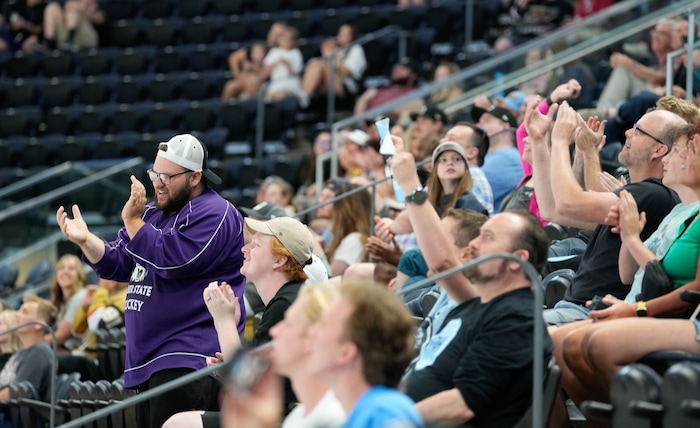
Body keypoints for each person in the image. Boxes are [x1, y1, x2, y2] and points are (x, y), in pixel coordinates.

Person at [56, 133, 246, 428]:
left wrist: (133, 222)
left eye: (167, 176)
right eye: (154, 173)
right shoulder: (153, 213)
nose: (157, 182)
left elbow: (175, 260)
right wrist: (86, 240)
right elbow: (118, 264)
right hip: (149, 362)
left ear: (195, 177)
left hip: (189, 359)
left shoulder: (216, 212)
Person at [389, 138, 553, 426]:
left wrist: (385, 418)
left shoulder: (515, 318)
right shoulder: (479, 302)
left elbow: (462, 405)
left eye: (487, 238)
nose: (472, 246)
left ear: (518, 260)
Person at [548, 122, 700, 426]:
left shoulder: (658, 195)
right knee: (555, 347)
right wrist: (630, 236)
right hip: (639, 306)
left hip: (671, 317)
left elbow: (691, 289)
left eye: (685, 150)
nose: (673, 157)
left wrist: (635, 310)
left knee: (583, 344)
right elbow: (632, 275)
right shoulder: (677, 212)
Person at [531, 102, 686, 327]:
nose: (627, 132)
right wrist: (538, 141)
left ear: (658, 150)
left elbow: (566, 203)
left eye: (638, 130)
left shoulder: (654, 194)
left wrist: (561, 141)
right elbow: (552, 209)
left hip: (591, 315)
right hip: (575, 308)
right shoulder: (643, 192)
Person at [166, 284, 346, 428]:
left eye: (289, 324)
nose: (275, 331)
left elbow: (244, 380)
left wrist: (224, 321)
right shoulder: (302, 417)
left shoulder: (332, 418)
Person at [307, 279, 424, 428]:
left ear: (346, 352)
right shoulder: (363, 411)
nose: (311, 332)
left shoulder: (384, 415)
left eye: (323, 326)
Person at [0, 295, 57, 402]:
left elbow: (16, 392)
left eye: (24, 312)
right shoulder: (24, 350)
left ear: (39, 324)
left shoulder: (39, 353)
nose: (16, 314)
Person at [300, 23, 367, 108]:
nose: (341, 36)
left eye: (345, 34)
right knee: (314, 62)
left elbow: (346, 72)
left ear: (352, 36)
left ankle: (303, 99)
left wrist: (332, 55)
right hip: (330, 82)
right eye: (340, 33)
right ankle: (304, 97)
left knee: (319, 65)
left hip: (347, 87)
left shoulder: (356, 49)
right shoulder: (338, 49)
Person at [472, 105, 524, 212]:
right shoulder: (491, 158)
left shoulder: (509, 157)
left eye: (486, 121)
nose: (478, 125)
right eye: (479, 122)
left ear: (505, 126)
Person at [71, 277, 128, 360]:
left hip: (99, 359)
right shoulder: (106, 296)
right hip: (84, 353)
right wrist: (85, 307)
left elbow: (96, 325)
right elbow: (77, 331)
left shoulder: (125, 298)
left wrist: (100, 292)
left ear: (112, 281)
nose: (99, 278)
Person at [47, 254, 89, 353]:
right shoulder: (61, 302)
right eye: (61, 268)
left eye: (71, 268)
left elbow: (60, 337)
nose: (65, 271)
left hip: (80, 354)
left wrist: (33, 342)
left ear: (79, 274)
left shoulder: (80, 297)